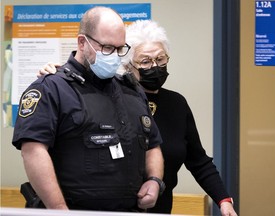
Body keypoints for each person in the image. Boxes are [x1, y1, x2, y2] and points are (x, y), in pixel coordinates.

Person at [38, 20, 238, 216]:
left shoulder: (177, 103)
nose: (155, 66)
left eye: (161, 59)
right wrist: (58, 74)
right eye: (145, 61)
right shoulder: (110, 97)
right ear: (127, 64)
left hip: (159, 207)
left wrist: (223, 200)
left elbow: (198, 160)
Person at [12, 7, 165, 212]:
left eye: (120, 49)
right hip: (74, 209)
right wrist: (59, 209)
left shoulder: (132, 91)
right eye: (107, 47)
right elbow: (32, 151)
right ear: (82, 42)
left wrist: (155, 180)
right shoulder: (51, 88)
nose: (115, 56)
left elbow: (152, 144)